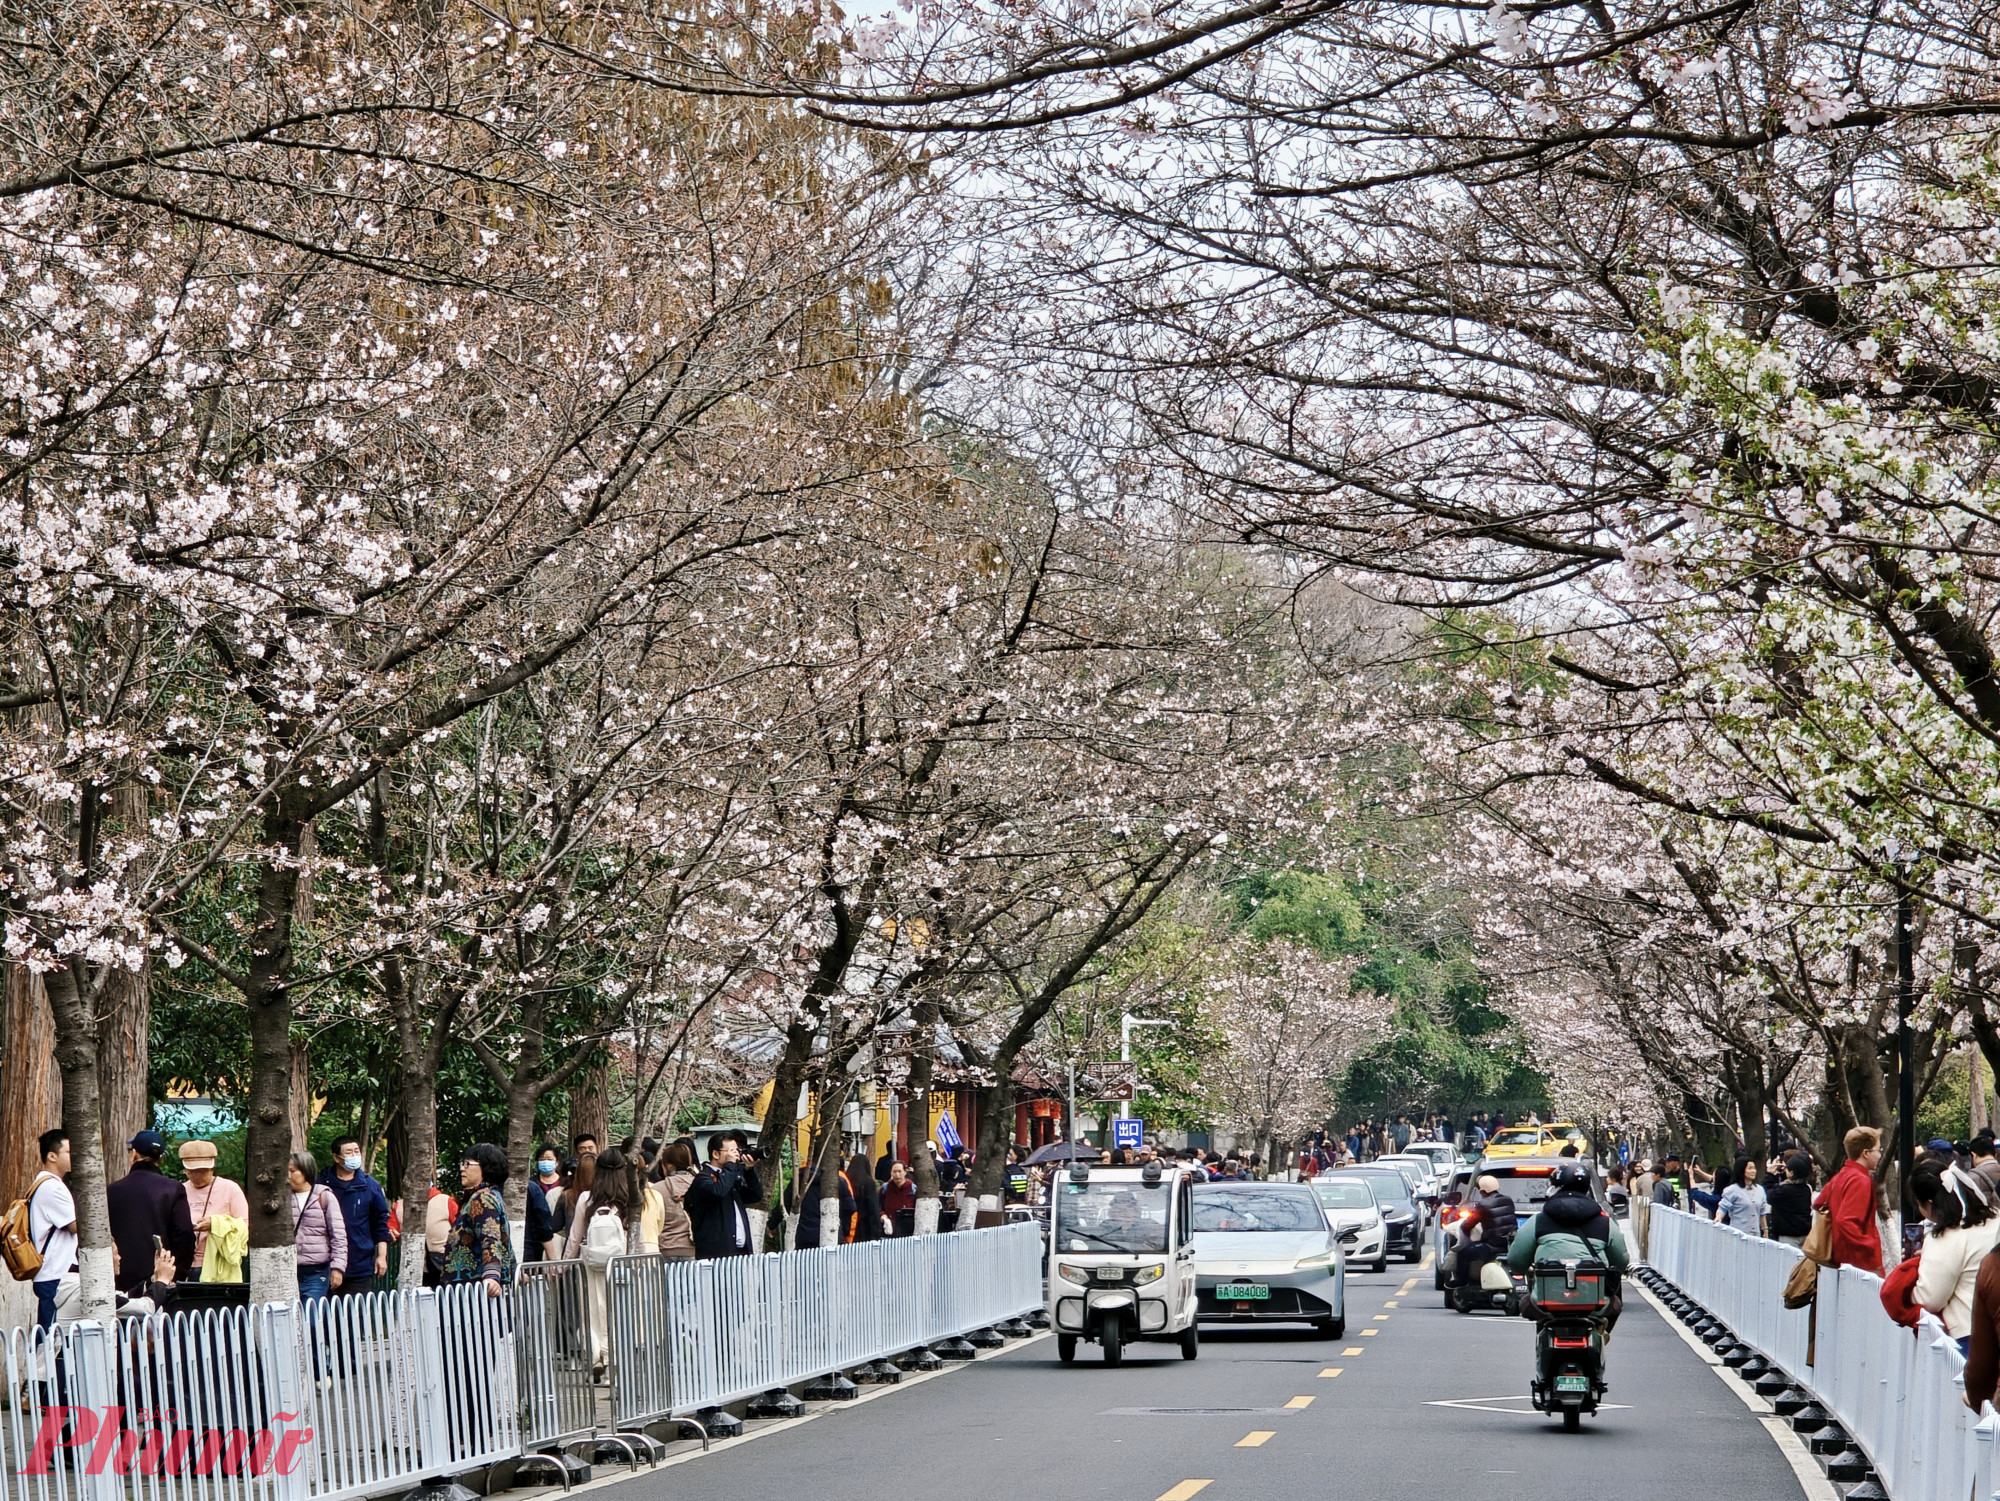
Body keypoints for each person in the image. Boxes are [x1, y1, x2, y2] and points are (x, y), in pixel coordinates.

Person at [1506, 1161, 1630, 1330]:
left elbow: (1516, 1260)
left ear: (1553, 1188)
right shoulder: (1605, 1223)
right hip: (1594, 1301)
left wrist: (1524, 1269)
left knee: (1526, 1303)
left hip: (1546, 1302)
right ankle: (1601, 1334)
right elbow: (1621, 1260)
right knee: (1615, 1304)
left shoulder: (1538, 1221)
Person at [1911, 1156, 1999, 1354]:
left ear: (1929, 1203)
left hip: (1971, 1333)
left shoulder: (1945, 1237)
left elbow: (1930, 1297)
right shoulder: (1995, 1219)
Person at [106, 1130, 195, 1294]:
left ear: (134, 1154)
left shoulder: (111, 1191)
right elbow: (184, 1233)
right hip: (158, 1279)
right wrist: (176, 1274)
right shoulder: (173, 1189)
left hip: (118, 1279)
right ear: (161, 1158)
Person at [319, 1135, 391, 1295]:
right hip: (324, 1264)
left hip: (360, 1265)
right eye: (349, 1152)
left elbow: (380, 1223)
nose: (354, 1156)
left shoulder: (370, 1186)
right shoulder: (321, 1184)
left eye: (356, 1151)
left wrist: (381, 1256)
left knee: (357, 1308)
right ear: (336, 1158)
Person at [444, 1143, 515, 1293]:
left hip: (475, 1289)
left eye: (468, 1164)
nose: (462, 1168)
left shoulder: (482, 1198)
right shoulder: (490, 1195)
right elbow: (504, 1240)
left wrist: (491, 1276)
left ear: (486, 1167)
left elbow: (490, 1237)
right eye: (462, 1164)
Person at [1815, 1126, 1885, 1275]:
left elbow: (1819, 1203)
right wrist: (1870, 1245)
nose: (1880, 1155)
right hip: (1860, 1262)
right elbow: (1845, 1220)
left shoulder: (1842, 1175)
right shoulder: (1860, 1180)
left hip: (1839, 1258)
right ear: (1865, 1153)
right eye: (1878, 1150)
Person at [26, 1129, 76, 1333]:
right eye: (69, 1152)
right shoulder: (52, 1187)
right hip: (54, 1273)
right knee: (50, 1339)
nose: (74, 1156)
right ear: (52, 1156)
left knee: (52, 1336)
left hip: (52, 1273)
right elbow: (75, 1226)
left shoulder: (46, 1184)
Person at [177, 1139, 249, 1278]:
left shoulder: (230, 1188)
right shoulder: (179, 1190)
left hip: (218, 1264)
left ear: (212, 1168)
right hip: (184, 1264)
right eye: (193, 1171)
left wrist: (215, 1224)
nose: (198, 1175)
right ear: (186, 1170)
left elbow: (245, 1227)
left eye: (203, 1171)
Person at [684, 1133, 763, 1257]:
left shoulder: (730, 1176)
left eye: (737, 1150)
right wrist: (731, 1166)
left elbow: (755, 1195)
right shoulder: (703, 1178)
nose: (736, 1155)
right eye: (732, 1151)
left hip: (740, 1250)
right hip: (716, 1253)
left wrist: (749, 1170)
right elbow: (718, 1191)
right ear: (716, 1154)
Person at [288, 1152, 347, 1301]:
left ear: (305, 1171)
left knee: (311, 1312)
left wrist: (337, 1268)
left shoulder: (323, 1196)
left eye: (293, 1171)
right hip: (288, 1269)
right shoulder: (283, 1198)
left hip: (316, 1270)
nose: (288, 1175)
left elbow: (338, 1235)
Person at [1450, 1173, 1517, 1290]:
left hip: (1492, 1246)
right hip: (1509, 1245)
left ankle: (1461, 1281)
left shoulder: (1483, 1205)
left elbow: (1467, 1225)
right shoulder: (1508, 1200)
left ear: (1483, 1191)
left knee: (1463, 1253)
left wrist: (1467, 1236)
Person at [794, 1161, 858, 1247]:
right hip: (833, 1235)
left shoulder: (798, 1182)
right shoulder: (839, 1181)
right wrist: (844, 1230)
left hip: (805, 1237)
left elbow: (786, 1203)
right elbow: (850, 1207)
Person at [657, 1142, 697, 1260]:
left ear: (668, 1165)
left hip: (665, 1249)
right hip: (695, 1249)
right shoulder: (701, 1185)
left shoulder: (656, 1189)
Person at [1767, 1152, 1815, 1247]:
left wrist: (1770, 1175)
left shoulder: (1785, 1191)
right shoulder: (1807, 1188)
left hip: (1788, 1236)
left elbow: (1768, 1195)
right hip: (1805, 1233)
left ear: (1792, 1172)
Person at [526, 1142, 563, 1262]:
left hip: (559, 1238)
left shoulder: (565, 1183)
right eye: (542, 1159)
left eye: (549, 1159)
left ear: (557, 1162)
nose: (546, 1162)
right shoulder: (530, 1185)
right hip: (535, 1239)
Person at [1715, 1157, 1769, 1237]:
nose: (1753, 1171)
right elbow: (1723, 1207)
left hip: (1755, 1235)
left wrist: (1765, 1230)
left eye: (1754, 1168)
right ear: (1741, 1170)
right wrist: (1718, 1217)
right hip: (1737, 1234)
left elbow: (1762, 1212)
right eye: (1750, 1168)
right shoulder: (1732, 1190)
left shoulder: (1760, 1190)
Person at [848, 1154, 883, 1242]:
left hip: (849, 1224)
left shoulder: (846, 1180)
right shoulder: (868, 1182)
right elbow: (873, 1208)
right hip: (865, 1226)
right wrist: (876, 1232)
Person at [880, 1161, 916, 1236]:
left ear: (905, 1172)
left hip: (908, 1231)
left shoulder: (913, 1189)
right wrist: (883, 1216)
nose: (897, 1175)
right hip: (889, 1231)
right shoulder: (885, 1189)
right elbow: (878, 1207)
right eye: (894, 1172)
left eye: (899, 1171)